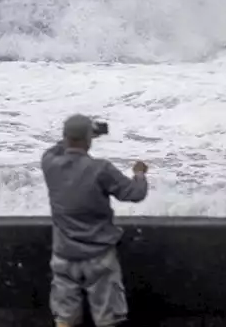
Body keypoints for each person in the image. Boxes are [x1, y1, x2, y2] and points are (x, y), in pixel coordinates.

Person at [41, 114, 148, 327]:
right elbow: (135, 194)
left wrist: (81, 133)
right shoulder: (101, 169)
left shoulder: (49, 163)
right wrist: (139, 174)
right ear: (88, 139)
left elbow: (58, 146)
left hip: (63, 256)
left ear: (65, 137)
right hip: (99, 257)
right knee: (108, 319)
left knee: (65, 319)